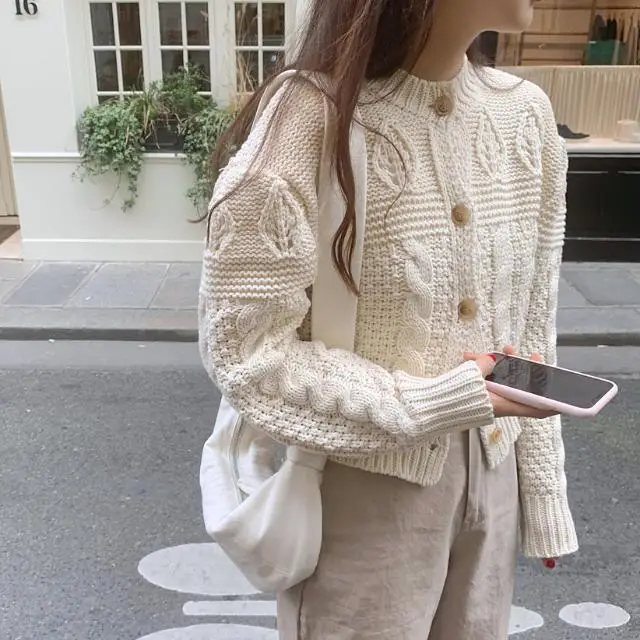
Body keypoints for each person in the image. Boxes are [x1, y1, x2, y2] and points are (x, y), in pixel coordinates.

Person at [198, 0, 579, 636]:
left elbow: (534, 320)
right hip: (365, 491)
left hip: (494, 481)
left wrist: (542, 491)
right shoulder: (309, 116)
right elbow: (246, 353)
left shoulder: (526, 115)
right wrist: (430, 403)